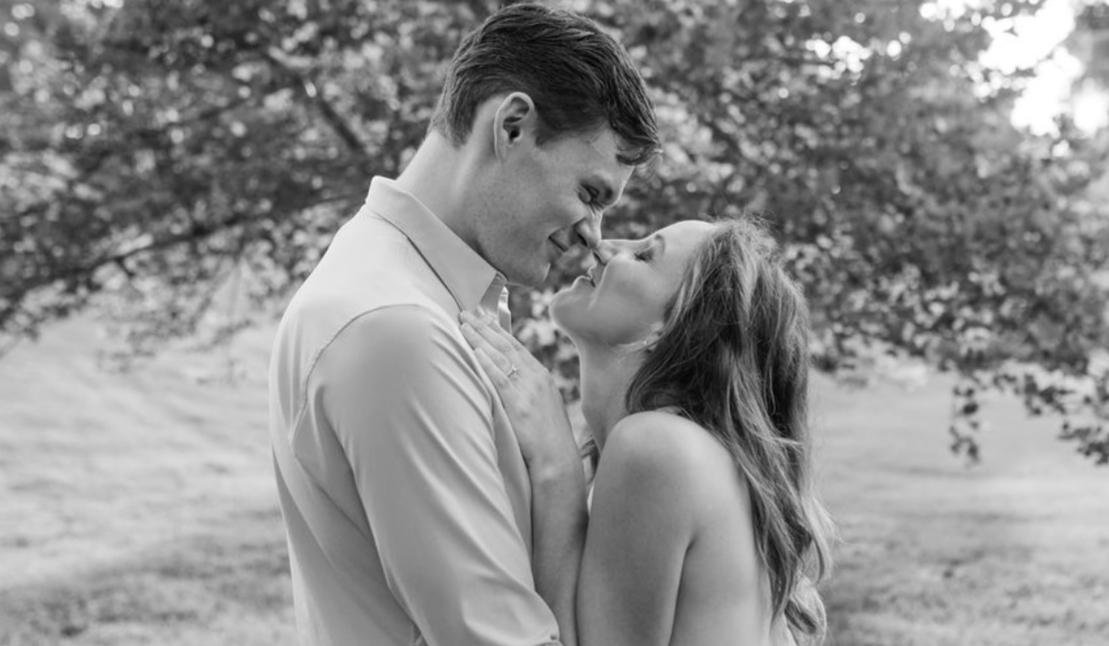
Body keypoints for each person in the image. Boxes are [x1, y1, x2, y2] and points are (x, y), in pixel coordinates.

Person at [267, 3, 658, 645]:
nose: (595, 236)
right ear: (512, 126)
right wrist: (559, 476)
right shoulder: (398, 331)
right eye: (591, 194)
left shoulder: (414, 292)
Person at [461, 217, 835, 646]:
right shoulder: (687, 451)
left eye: (643, 256)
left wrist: (555, 463)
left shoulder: (658, 446)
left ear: (674, 327)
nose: (602, 245)